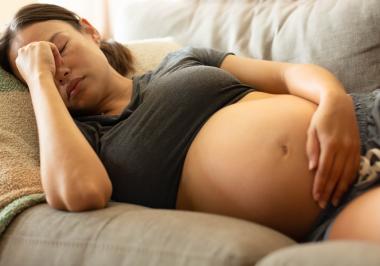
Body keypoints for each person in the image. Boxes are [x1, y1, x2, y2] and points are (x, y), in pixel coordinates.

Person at [0, 3, 379, 243]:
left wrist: (333, 101)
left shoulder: (181, 60)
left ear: (90, 30)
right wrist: (40, 81)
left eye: (59, 49)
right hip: (332, 207)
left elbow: (289, 74)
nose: (60, 71)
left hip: (362, 119)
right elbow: (79, 194)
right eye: (46, 71)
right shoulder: (86, 142)